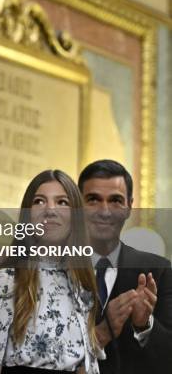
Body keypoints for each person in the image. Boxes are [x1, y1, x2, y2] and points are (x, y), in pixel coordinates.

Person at [0, 169, 102, 374]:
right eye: (39, 201)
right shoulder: (3, 281)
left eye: (62, 202)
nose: (50, 210)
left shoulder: (82, 285)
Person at [78, 159, 172, 374]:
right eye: (93, 199)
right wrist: (99, 333)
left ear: (129, 206)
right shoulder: (55, 269)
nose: (104, 211)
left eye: (115, 201)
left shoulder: (158, 271)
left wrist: (145, 325)